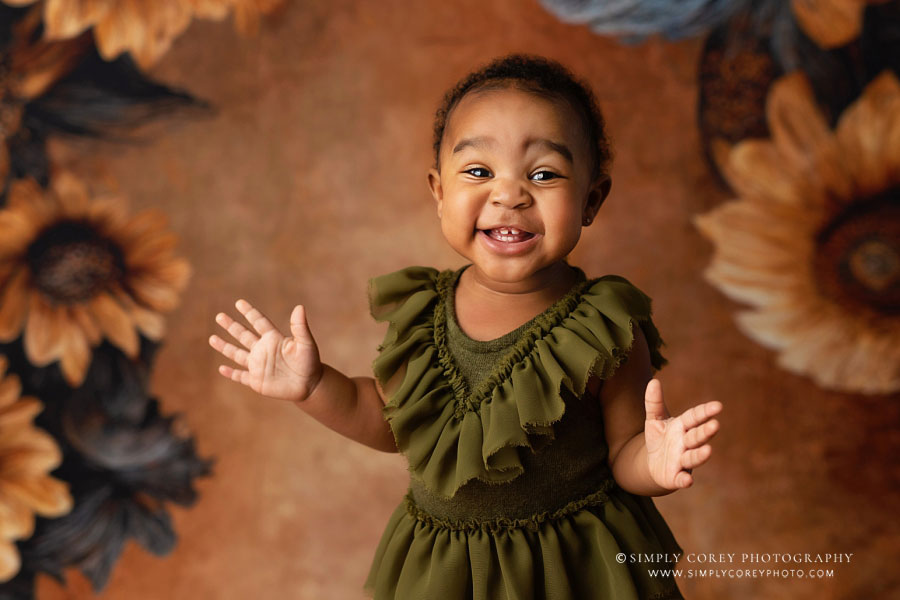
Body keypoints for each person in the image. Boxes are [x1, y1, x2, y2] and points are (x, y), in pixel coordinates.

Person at [208, 53, 723, 600]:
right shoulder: (423, 317)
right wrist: (313, 387)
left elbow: (625, 455)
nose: (510, 195)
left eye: (544, 174)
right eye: (478, 171)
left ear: (591, 198)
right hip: (445, 571)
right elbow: (388, 421)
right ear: (438, 192)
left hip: (568, 570)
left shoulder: (601, 329)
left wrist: (655, 463)